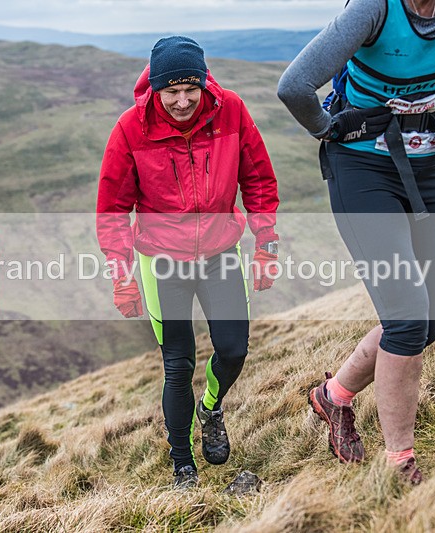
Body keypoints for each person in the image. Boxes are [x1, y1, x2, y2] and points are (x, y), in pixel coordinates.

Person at [278, 0, 435, 483]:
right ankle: (400, 465)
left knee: (425, 324)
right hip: (362, 169)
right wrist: (328, 127)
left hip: (427, 162)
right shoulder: (373, 8)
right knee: (407, 319)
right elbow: (294, 85)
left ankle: (333, 396)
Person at [96, 36, 280, 488]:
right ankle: (183, 463)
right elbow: (113, 209)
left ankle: (211, 408)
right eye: (171, 91)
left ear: (203, 83)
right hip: (162, 263)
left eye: (190, 89)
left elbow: (258, 178)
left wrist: (266, 244)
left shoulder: (231, 110)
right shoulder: (131, 128)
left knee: (234, 350)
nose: (182, 101)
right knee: (178, 365)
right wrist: (122, 276)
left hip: (220, 253)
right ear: (155, 89)